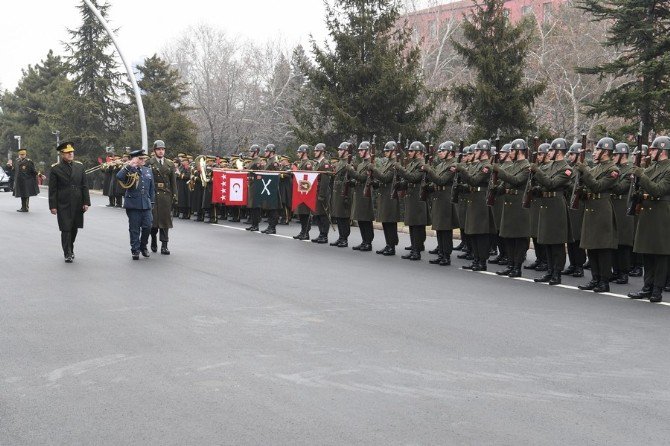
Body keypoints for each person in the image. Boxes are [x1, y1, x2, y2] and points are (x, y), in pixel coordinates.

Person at [574, 137, 619, 293]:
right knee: (591, 246)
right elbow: (588, 186)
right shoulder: (597, 167)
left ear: (606, 152)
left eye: (598, 150)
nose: (594, 153)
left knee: (603, 247)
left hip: (602, 210)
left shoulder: (613, 170)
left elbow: (597, 186)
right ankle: (595, 278)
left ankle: (604, 281)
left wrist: (585, 170)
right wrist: (582, 192)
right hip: (591, 207)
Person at [628, 135, 670, 303]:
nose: (650, 152)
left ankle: (657, 290)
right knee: (647, 252)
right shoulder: (651, 168)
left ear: (662, 150)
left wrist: (641, 175)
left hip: (661, 214)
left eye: (653, 149)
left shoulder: (668, 169)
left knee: (660, 254)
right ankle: (647, 287)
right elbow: (644, 188)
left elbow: (658, 190)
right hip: (647, 212)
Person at [532, 138, 574, 285]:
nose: (548, 153)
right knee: (547, 241)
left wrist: (537, 171)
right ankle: (549, 271)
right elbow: (543, 184)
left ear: (558, 151)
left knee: (556, 242)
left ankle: (557, 272)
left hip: (556, 206)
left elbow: (551, 184)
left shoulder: (566, 169)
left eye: (551, 150)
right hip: (545, 204)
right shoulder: (550, 166)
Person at [493, 139, 531, 277]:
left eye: (512, 150)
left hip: (519, 206)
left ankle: (517, 267)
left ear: (519, 151)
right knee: (508, 237)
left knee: (519, 238)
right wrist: (494, 189)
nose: (510, 153)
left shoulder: (527, 167)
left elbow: (516, 181)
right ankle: (510, 264)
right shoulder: (514, 165)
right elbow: (504, 185)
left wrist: (499, 171)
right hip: (509, 204)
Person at [48, 142, 91, 263]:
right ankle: (67, 252)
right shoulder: (55, 168)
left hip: (77, 202)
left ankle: (70, 247)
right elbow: (53, 189)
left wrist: (86, 202)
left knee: (74, 228)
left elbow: (84, 185)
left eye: (72, 152)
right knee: (65, 228)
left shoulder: (79, 166)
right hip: (63, 203)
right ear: (62, 154)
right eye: (68, 152)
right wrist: (53, 206)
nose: (71, 154)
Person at [422, 141, 459, 265]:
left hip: (445, 199)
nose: (440, 153)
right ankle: (441, 253)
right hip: (438, 197)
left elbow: (441, 180)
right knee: (439, 227)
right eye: (440, 151)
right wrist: (427, 187)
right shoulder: (441, 165)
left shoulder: (453, 165)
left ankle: (446, 256)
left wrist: (428, 170)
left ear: (450, 152)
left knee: (445, 229)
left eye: (443, 151)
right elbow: (435, 182)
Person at [117, 149, 155, 260]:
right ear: (135, 159)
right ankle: (135, 250)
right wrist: (130, 165)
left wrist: (152, 202)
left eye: (144, 158)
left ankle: (143, 246)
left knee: (148, 226)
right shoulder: (129, 169)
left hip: (146, 203)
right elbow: (119, 177)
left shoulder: (148, 170)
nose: (143, 160)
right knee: (134, 228)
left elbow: (152, 188)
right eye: (141, 158)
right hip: (133, 203)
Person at [395, 141, 429, 260]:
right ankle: (414, 248)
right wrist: (399, 185)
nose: (409, 153)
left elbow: (414, 178)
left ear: (419, 152)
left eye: (411, 151)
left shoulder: (421, 164)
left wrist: (400, 169)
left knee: (417, 225)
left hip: (417, 197)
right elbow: (408, 180)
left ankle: (417, 251)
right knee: (412, 224)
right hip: (411, 196)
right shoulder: (412, 163)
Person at [371, 141, 402, 256]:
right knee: (385, 222)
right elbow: (381, 180)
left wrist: (374, 169)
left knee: (390, 222)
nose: (385, 153)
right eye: (385, 151)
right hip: (384, 195)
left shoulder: (395, 164)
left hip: (390, 195)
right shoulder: (387, 163)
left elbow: (386, 178)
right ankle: (388, 244)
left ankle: (392, 246)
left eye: (387, 151)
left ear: (393, 151)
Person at [148, 140, 177, 255]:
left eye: (162, 149)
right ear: (154, 151)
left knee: (165, 222)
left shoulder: (170, 164)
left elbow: (173, 182)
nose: (161, 151)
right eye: (159, 149)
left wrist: (175, 196)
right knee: (153, 222)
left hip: (166, 196)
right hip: (154, 195)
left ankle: (164, 246)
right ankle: (153, 240)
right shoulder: (149, 163)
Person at [346, 141, 375, 251]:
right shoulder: (362, 164)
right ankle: (364, 241)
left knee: (366, 219)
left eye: (362, 150)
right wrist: (351, 182)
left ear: (367, 151)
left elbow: (363, 178)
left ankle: (368, 242)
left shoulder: (370, 164)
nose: (359, 152)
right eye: (359, 150)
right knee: (361, 220)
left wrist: (351, 170)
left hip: (365, 194)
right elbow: (358, 180)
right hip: (358, 193)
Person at [330, 142, 353, 247]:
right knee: (338, 216)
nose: (338, 151)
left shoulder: (349, 163)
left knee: (344, 216)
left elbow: (351, 178)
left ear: (346, 151)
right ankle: (340, 237)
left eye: (340, 149)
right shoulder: (340, 163)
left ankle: (345, 238)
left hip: (345, 193)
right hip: (337, 192)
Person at [310, 143, 332, 243]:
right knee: (317, 214)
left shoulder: (325, 163)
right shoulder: (317, 163)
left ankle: (324, 235)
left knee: (323, 214)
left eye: (317, 151)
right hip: (315, 191)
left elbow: (325, 181)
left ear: (322, 152)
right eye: (315, 150)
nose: (315, 152)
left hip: (322, 192)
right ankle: (320, 233)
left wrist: (322, 195)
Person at [13, 147, 39, 212]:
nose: (22, 156)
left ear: (25, 154)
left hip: (26, 181)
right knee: (22, 194)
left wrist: (40, 175)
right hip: (19, 181)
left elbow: (33, 171)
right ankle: (23, 207)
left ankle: (26, 208)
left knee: (26, 194)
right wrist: (10, 167)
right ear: (19, 155)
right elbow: (14, 170)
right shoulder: (16, 161)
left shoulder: (28, 162)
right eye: (21, 154)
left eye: (23, 154)